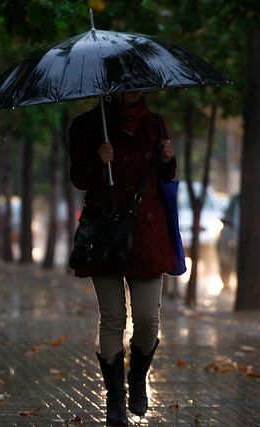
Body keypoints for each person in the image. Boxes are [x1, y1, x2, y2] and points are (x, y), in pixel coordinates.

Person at [68, 90, 176, 424]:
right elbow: (78, 178)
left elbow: (166, 179)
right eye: (126, 83)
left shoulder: (156, 124)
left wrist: (169, 159)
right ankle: (115, 397)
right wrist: (99, 161)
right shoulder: (87, 125)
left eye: (139, 83)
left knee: (147, 320)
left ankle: (137, 378)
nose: (134, 89)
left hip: (147, 236)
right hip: (105, 234)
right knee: (113, 317)